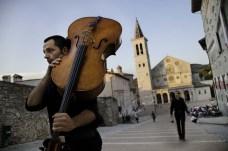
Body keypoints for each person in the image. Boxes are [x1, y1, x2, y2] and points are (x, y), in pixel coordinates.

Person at [26, 35, 102, 151]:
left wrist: (73, 123)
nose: (46, 56)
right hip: (58, 146)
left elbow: (92, 112)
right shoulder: (50, 79)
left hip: (86, 144)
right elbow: (31, 105)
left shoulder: (82, 75)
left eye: (50, 50)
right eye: (44, 52)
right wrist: (47, 76)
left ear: (65, 51)